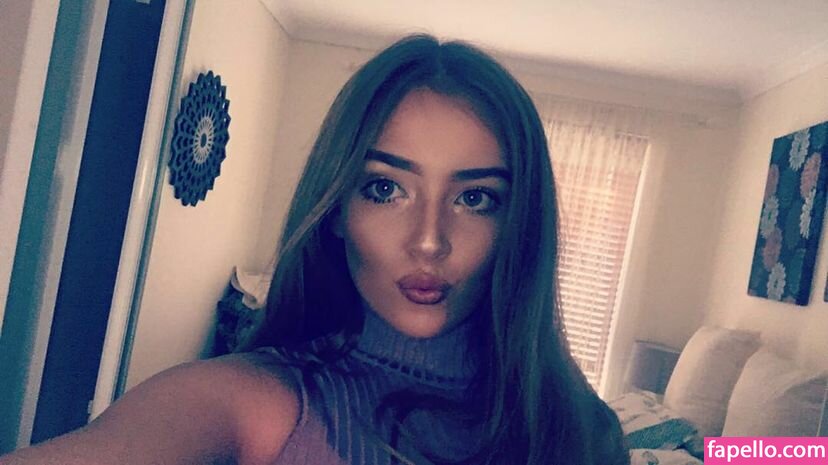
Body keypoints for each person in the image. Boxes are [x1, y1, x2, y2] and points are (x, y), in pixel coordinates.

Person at [0, 34, 627, 465]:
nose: (429, 240)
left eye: (475, 198)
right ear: (336, 212)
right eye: (385, 189)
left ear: (520, 224)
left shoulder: (584, 431)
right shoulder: (253, 402)